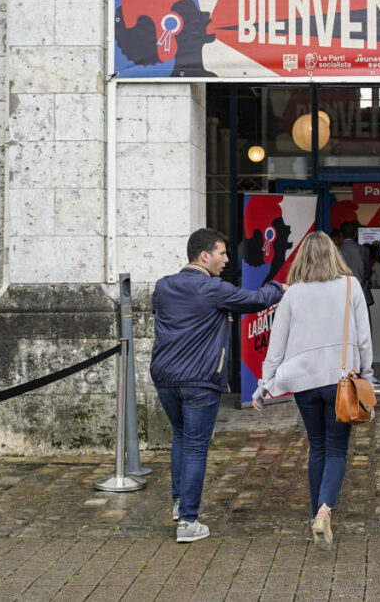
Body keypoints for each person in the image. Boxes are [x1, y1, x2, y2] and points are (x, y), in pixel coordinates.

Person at [150, 228, 285, 543]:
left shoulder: (163, 286)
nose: (227, 260)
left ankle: (179, 504)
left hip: (165, 379)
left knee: (181, 438)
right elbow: (256, 299)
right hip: (199, 380)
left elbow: (176, 319)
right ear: (204, 256)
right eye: (223, 253)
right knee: (196, 446)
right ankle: (188, 522)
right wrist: (281, 286)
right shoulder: (211, 288)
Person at [251, 231, 373, 551]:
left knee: (316, 446)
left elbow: (276, 346)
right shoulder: (350, 286)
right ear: (334, 255)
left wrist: (264, 385)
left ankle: (315, 518)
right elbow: (363, 339)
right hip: (341, 381)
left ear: (301, 257)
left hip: (304, 384)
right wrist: (368, 377)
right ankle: (324, 511)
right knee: (336, 450)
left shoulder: (293, 294)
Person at [337, 221, 380, 387]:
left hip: (340, 299)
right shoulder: (363, 250)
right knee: (365, 335)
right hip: (362, 296)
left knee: (343, 335)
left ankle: (345, 371)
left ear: (341, 235)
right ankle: (366, 372)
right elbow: (367, 274)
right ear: (355, 234)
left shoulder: (336, 250)